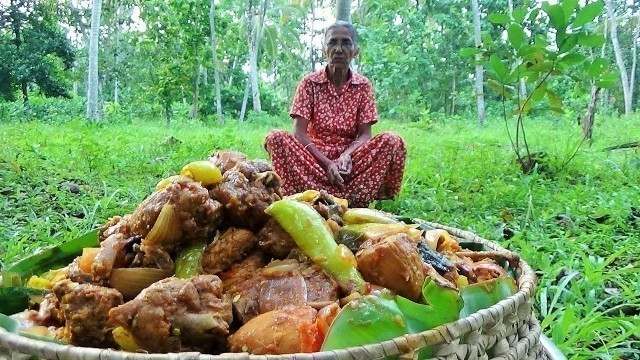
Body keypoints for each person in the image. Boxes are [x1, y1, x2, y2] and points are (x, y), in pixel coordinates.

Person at [264, 21, 406, 208]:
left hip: (350, 162)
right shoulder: (309, 83)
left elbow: (365, 134)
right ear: (324, 50)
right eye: (332, 43)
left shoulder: (363, 86)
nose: (338, 49)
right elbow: (299, 132)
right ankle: (309, 198)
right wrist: (327, 163)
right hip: (314, 159)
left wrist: (346, 156)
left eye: (346, 43)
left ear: (355, 51)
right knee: (276, 138)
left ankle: (353, 199)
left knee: (392, 141)